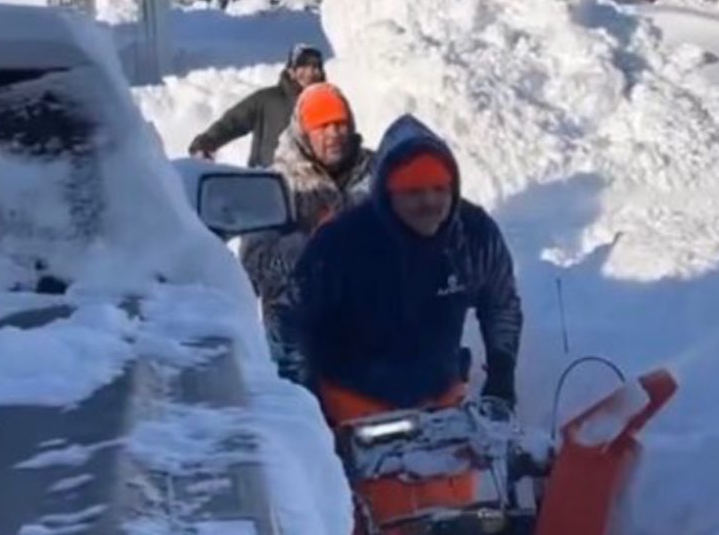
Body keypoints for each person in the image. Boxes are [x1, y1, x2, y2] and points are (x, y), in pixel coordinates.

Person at [272, 114, 521, 427]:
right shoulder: (341, 242)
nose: (429, 202)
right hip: (351, 412)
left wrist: (502, 377)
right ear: (387, 196)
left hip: (441, 409)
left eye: (439, 189)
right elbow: (289, 321)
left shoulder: (473, 235)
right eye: (413, 192)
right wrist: (306, 407)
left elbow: (501, 304)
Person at [242, 81, 372, 340]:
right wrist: (311, 243)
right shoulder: (276, 185)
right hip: (297, 337)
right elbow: (253, 268)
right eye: (322, 126)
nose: (334, 133)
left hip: (370, 331)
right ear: (304, 133)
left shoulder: (378, 173)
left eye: (340, 123)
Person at [187, 42, 327, 168]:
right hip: (269, 181)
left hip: (313, 186)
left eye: (315, 67)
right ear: (291, 71)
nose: (310, 73)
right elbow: (233, 121)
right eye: (303, 66)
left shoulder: (327, 105)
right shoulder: (267, 100)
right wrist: (205, 143)